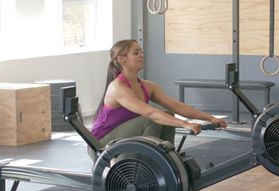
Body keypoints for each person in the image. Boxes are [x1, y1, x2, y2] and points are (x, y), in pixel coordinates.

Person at [90, 39, 227, 158]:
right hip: (100, 144)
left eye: (141, 52)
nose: (142, 55)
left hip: (122, 137)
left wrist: (210, 118)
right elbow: (151, 113)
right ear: (121, 59)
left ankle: (166, 157)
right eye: (136, 53)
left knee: (167, 114)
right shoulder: (117, 87)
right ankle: (146, 161)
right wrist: (184, 124)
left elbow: (177, 106)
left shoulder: (148, 86)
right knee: (152, 119)